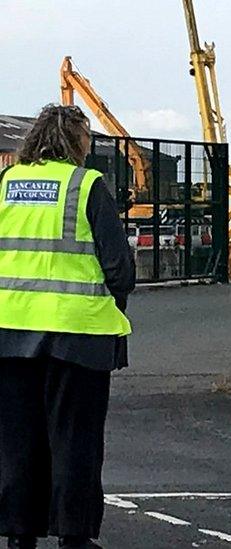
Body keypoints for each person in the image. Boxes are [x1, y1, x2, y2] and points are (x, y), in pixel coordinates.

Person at [0, 104, 135, 549]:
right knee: (75, 440)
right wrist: (112, 302)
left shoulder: (6, 185)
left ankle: (20, 534)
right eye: (87, 139)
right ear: (75, 141)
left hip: (10, 332)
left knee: (19, 441)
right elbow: (119, 268)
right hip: (77, 336)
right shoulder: (87, 185)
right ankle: (74, 535)